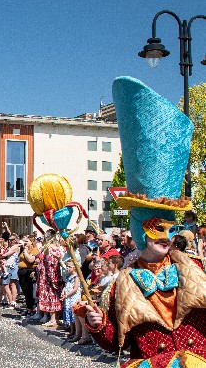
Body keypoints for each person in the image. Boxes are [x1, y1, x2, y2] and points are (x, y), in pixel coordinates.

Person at [86, 76, 206, 366]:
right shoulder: (123, 283)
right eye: (158, 228)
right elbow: (114, 341)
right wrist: (98, 322)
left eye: (171, 227)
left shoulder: (196, 270)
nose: (167, 235)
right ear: (141, 231)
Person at [61, 260, 81, 342]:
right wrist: (63, 291)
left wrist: (67, 295)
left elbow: (75, 288)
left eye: (69, 266)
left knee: (74, 313)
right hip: (68, 297)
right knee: (69, 312)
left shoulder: (76, 277)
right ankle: (72, 330)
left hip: (73, 297)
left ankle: (77, 331)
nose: (67, 268)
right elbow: (66, 286)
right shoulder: (69, 277)